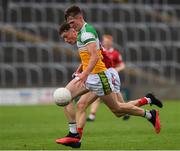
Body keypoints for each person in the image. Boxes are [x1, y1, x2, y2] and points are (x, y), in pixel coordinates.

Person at [55, 5, 162, 148]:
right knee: (69, 98)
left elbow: (94, 57)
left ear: (79, 18)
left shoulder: (86, 34)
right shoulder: (82, 33)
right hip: (92, 75)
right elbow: (88, 57)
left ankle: (150, 114)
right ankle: (74, 135)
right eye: (69, 23)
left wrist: (84, 74)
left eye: (72, 22)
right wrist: (81, 71)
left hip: (100, 76)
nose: (71, 25)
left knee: (118, 109)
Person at [87, 34, 127, 122]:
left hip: (111, 75)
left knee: (116, 94)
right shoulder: (100, 50)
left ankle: (126, 110)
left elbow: (122, 65)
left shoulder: (115, 53)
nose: (106, 43)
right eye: (104, 41)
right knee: (97, 94)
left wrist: (115, 70)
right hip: (101, 75)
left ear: (111, 42)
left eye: (107, 41)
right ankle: (92, 115)